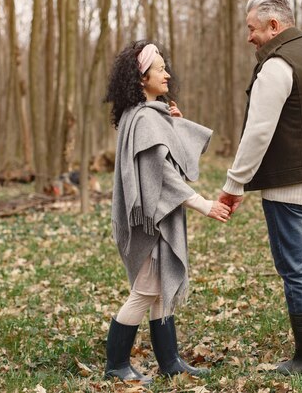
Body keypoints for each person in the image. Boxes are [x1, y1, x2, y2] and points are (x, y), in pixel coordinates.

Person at [218, 0, 302, 375]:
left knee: (299, 271)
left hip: (290, 187)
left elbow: (257, 133)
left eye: (252, 29)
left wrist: (233, 184)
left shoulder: (278, 65)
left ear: (274, 26)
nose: (249, 38)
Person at [105, 40, 231, 384]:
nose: (167, 74)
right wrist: (203, 204)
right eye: (160, 69)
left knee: (160, 288)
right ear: (141, 76)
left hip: (154, 221)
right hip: (150, 224)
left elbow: (173, 156)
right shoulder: (145, 119)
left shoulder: (146, 115)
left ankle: (170, 362)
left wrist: (174, 125)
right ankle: (116, 365)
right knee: (145, 291)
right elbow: (162, 175)